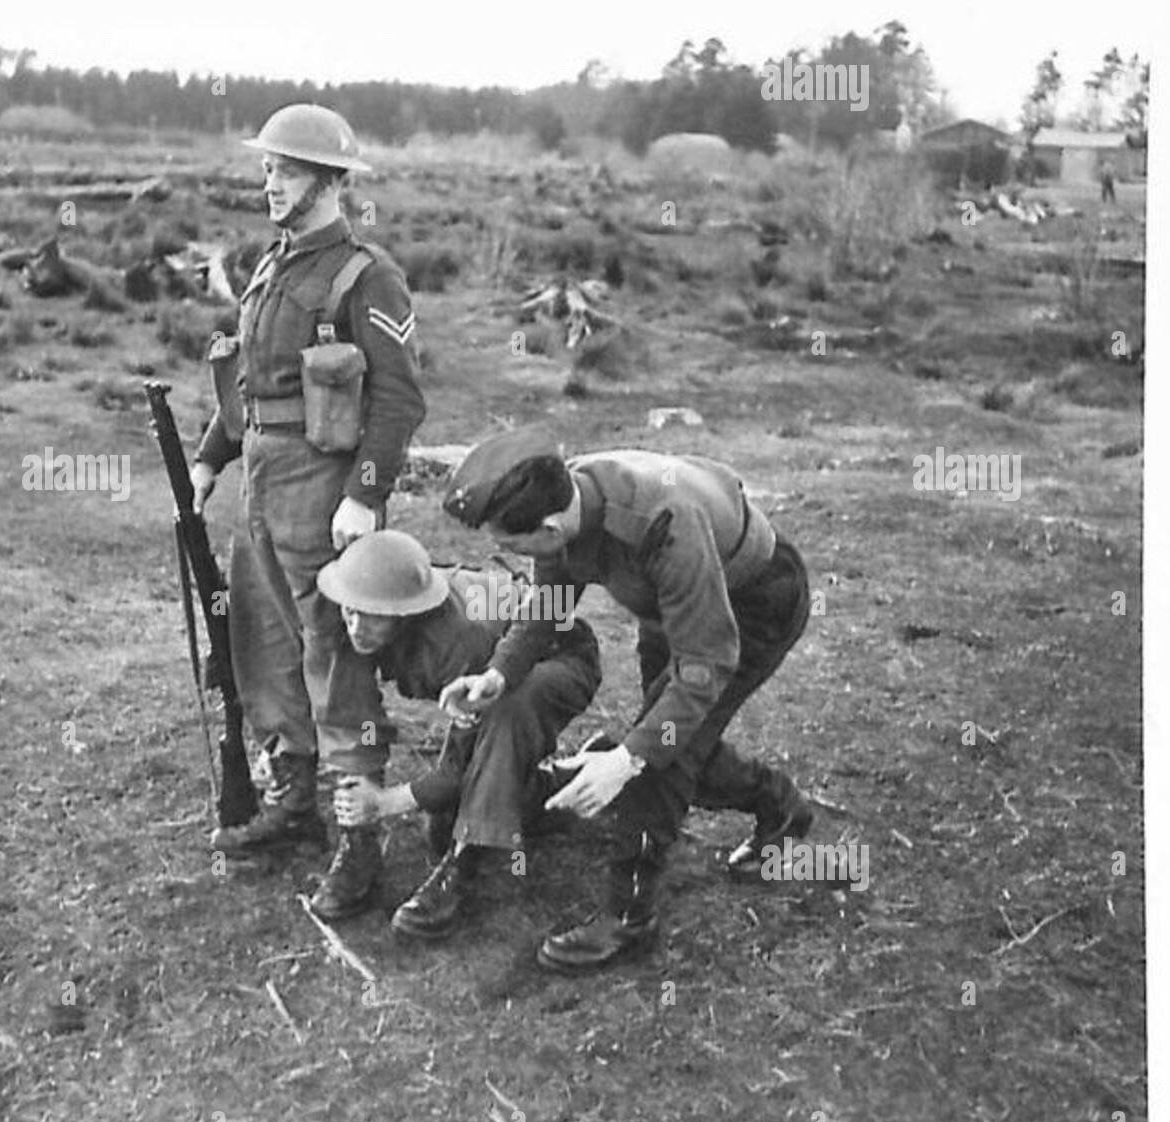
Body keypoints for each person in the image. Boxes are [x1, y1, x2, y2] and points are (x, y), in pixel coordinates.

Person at [440, 431, 813, 973]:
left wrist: (628, 758)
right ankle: (781, 810)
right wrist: (500, 673)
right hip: (670, 609)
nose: (509, 557)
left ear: (548, 529)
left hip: (751, 606)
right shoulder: (560, 502)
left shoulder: (665, 524)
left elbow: (704, 664)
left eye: (513, 546)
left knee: (662, 756)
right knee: (673, 739)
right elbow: (552, 596)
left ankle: (629, 916)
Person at [190, 104, 426, 920]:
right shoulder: (270, 265)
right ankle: (294, 804)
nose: (270, 182)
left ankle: (361, 845)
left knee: (336, 659)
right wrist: (208, 458)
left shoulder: (366, 275)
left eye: (286, 170)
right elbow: (250, 386)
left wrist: (365, 493)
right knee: (263, 644)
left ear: (330, 182)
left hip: (324, 495)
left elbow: (398, 399)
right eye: (266, 169)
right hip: (262, 480)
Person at [315, 530, 601, 938]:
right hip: (509, 653)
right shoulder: (359, 611)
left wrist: (385, 803)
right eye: (351, 612)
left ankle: (465, 863)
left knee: (503, 721)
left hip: (559, 656)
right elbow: (344, 703)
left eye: (371, 616)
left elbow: (457, 768)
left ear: (403, 613)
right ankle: (572, 781)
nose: (356, 626)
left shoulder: (461, 640)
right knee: (445, 815)